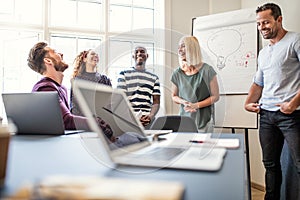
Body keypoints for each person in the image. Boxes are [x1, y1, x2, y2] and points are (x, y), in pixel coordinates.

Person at [244, 3, 300, 200]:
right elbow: (258, 83)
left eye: (266, 22)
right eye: (259, 24)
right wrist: (247, 103)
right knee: (270, 165)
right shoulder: (264, 52)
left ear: (279, 19)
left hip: (291, 115)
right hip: (266, 115)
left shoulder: (295, 40)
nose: (262, 27)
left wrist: (293, 103)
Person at [27, 41, 113, 140]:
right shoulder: (45, 88)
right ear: (48, 61)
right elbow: (65, 120)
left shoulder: (60, 88)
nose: (61, 54)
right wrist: (97, 123)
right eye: (55, 52)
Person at [171, 36, 219, 133]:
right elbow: (174, 96)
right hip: (184, 121)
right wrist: (184, 102)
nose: (180, 50)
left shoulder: (207, 70)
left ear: (192, 48)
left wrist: (196, 105)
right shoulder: (177, 73)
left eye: (183, 46)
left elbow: (215, 96)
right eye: (179, 47)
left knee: (202, 148)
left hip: (204, 121)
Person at [117, 46, 160, 128]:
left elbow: (156, 102)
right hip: (128, 119)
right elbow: (121, 99)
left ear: (147, 56)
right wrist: (131, 117)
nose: (139, 53)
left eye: (142, 51)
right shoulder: (123, 74)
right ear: (133, 56)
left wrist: (150, 116)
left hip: (147, 121)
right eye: (136, 52)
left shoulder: (154, 78)